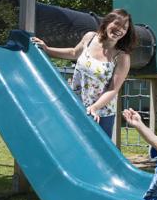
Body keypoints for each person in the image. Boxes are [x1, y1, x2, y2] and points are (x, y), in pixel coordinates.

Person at [32, 9, 136, 137]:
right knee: (70, 143)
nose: (120, 29)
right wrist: (47, 49)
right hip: (76, 104)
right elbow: (74, 53)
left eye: (124, 28)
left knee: (97, 151)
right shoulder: (90, 37)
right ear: (107, 22)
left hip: (101, 113)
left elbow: (113, 89)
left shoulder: (122, 57)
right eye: (117, 24)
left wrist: (94, 107)